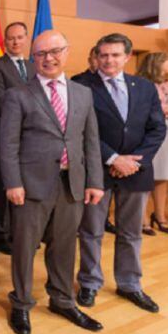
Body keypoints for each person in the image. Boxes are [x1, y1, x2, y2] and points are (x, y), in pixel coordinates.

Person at [0, 30, 104, 334]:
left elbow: (91, 141)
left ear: (66, 52)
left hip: (72, 184)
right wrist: (12, 182)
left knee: (64, 246)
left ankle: (62, 300)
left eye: (55, 51)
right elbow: (8, 144)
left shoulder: (83, 93)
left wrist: (95, 181)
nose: (49, 58)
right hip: (30, 185)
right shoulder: (18, 94)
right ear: (34, 58)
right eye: (41, 53)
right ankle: (21, 303)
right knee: (24, 247)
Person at [75, 33, 166, 314]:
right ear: (96, 56)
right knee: (91, 231)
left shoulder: (145, 87)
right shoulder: (80, 85)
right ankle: (89, 282)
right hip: (96, 171)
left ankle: (129, 284)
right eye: (103, 55)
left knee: (131, 232)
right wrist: (114, 158)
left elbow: (157, 128)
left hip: (136, 172)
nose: (108, 60)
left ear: (127, 57)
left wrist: (135, 162)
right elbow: (79, 130)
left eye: (115, 55)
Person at [0, 22, 36, 254]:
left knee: (27, 186)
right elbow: (0, 102)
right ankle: (2, 235)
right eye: (11, 38)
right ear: (5, 41)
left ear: (26, 39)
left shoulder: (34, 66)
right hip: (8, 136)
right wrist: (32, 116)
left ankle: (20, 233)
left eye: (19, 37)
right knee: (4, 187)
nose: (15, 42)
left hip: (33, 139)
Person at [136, 52, 168, 235]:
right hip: (150, 132)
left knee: (163, 176)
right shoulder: (142, 84)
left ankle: (159, 216)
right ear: (157, 63)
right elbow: (153, 109)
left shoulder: (167, 84)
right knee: (146, 176)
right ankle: (142, 220)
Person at [73, 45, 117, 235]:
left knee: (106, 189)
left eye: (112, 55)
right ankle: (82, 225)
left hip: (113, 147)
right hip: (88, 145)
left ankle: (104, 219)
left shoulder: (116, 83)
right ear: (91, 59)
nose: (103, 61)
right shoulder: (79, 83)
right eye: (98, 56)